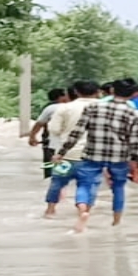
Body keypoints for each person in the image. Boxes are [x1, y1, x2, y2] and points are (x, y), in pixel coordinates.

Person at [55, 79, 138, 233]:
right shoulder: (134, 113)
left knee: (85, 185)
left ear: (111, 91)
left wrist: (62, 152)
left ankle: (83, 211)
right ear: (131, 95)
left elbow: (77, 133)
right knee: (118, 188)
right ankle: (116, 222)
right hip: (119, 157)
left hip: (92, 154)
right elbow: (136, 142)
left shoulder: (94, 106)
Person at [43, 80, 101, 218]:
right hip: (94, 155)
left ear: (75, 92)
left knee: (57, 182)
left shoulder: (64, 108)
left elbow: (54, 129)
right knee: (87, 185)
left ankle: (50, 210)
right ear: (98, 92)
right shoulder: (106, 108)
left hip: (65, 153)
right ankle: (84, 211)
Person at [29, 88, 69, 179]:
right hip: (60, 138)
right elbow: (40, 123)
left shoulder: (48, 107)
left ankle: (49, 177)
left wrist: (32, 136)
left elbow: (39, 124)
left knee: (49, 161)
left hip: (49, 138)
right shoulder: (58, 107)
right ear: (61, 97)